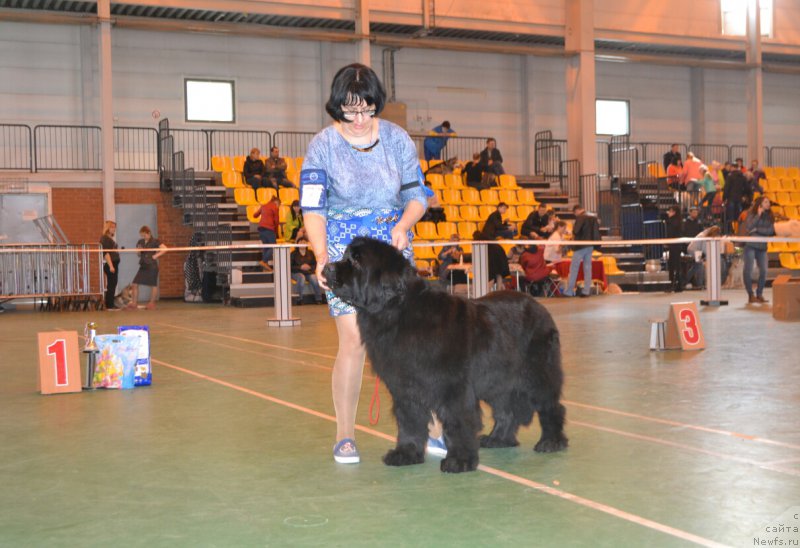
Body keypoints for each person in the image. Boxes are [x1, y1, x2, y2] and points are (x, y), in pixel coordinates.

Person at [299, 63, 431, 464]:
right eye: (349, 110)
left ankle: (430, 428)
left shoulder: (397, 139)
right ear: (336, 106)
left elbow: (417, 194)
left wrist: (405, 224)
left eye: (367, 109)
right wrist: (322, 256)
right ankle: (344, 435)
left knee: (409, 343)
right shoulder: (322, 145)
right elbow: (312, 206)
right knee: (354, 342)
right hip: (345, 256)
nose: (359, 119)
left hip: (391, 253)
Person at [742, 196, 775, 304]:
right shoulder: (751, 214)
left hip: (762, 247)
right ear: (760, 204)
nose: (768, 204)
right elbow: (749, 227)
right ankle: (750, 295)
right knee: (748, 270)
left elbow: (770, 231)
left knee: (764, 271)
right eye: (766, 202)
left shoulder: (770, 216)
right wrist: (758, 215)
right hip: (750, 245)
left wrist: (757, 230)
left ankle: (759, 294)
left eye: (768, 202)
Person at [127, 225, 167, 310]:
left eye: (144, 235)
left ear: (149, 233)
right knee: (134, 284)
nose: (143, 237)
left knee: (153, 284)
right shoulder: (140, 241)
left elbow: (165, 249)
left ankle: (152, 303)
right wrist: (138, 251)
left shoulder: (156, 241)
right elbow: (138, 254)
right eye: (142, 235)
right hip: (143, 266)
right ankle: (134, 303)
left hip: (152, 266)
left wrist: (155, 256)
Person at [563, 205, 599, 298]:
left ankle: (569, 291)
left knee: (574, 268)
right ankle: (586, 291)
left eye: (575, 213)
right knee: (587, 268)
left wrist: (571, 232)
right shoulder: (592, 217)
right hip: (590, 245)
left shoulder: (580, 217)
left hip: (580, 246)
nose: (575, 215)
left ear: (577, 211)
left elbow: (576, 231)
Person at [290, 237, 323, 305]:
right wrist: (300, 267)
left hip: (308, 272)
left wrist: (309, 267)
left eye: (304, 242)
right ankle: (299, 299)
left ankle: (319, 298)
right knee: (301, 277)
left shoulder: (310, 253)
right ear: (297, 244)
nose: (302, 243)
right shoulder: (293, 253)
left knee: (314, 278)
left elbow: (315, 264)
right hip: (296, 272)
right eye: (300, 242)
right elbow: (290, 266)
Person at [252, 194, 280, 272]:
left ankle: (265, 266)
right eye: (279, 204)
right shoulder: (275, 207)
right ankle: (264, 261)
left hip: (261, 229)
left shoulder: (264, 206)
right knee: (273, 246)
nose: (278, 206)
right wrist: (276, 233)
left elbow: (255, 215)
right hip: (269, 229)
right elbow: (276, 221)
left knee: (266, 247)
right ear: (276, 202)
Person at [100, 220, 120, 310]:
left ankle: (110, 304)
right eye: (112, 227)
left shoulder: (109, 238)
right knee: (112, 284)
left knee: (113, 283)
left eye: (114, 228)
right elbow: (106, 253)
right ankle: (109, 305)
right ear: (108, 228)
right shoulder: (105, 238)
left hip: (114, 263)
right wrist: (111, 266)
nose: (114, 229)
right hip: (110, 264)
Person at [665, 205, 683, 293]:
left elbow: (671, 233)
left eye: (670, 211)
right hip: (677, 245)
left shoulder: (672, 222)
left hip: (674, 246)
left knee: (673, 265)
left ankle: (673, 284)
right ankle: (678, 285)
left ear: (674, 212)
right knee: (676, 265)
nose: (668, 212)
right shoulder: (678, 221)